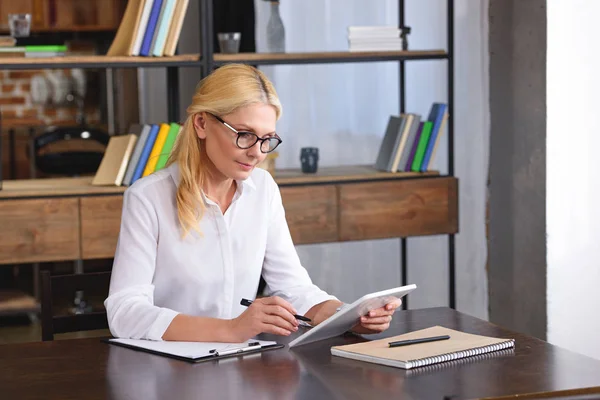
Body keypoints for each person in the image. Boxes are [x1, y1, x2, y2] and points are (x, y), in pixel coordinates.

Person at [104, 64, 401, 342]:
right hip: (167, 370)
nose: (257, 153)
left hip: (240, 362)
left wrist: (347, 317)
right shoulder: (147, 198)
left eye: (267, 139)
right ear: (201, 123)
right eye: (245, 135)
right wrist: (231, 329)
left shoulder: (263, 189)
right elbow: (125, 312)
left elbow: (293, 287)